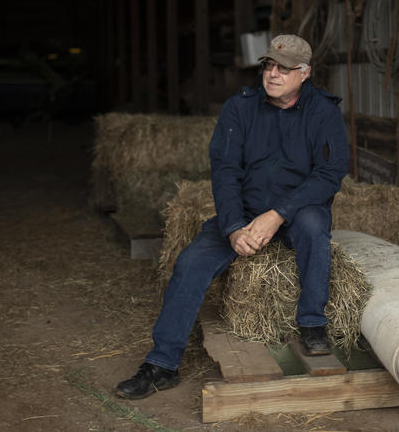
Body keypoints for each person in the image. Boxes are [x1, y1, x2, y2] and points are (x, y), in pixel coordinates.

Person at [116, 34, 350, 400]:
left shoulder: (324, 112)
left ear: (305, 73)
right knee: (190, 261)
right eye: (269, 65)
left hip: (297, 208)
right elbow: (224, 170)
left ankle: (312, 323)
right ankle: (162, 364)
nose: (273, 74)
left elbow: (329, 173)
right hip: (243, 209)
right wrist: (233, 226)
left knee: (314, 226)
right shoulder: (239, 108)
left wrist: (278, 214)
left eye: (284, 68)